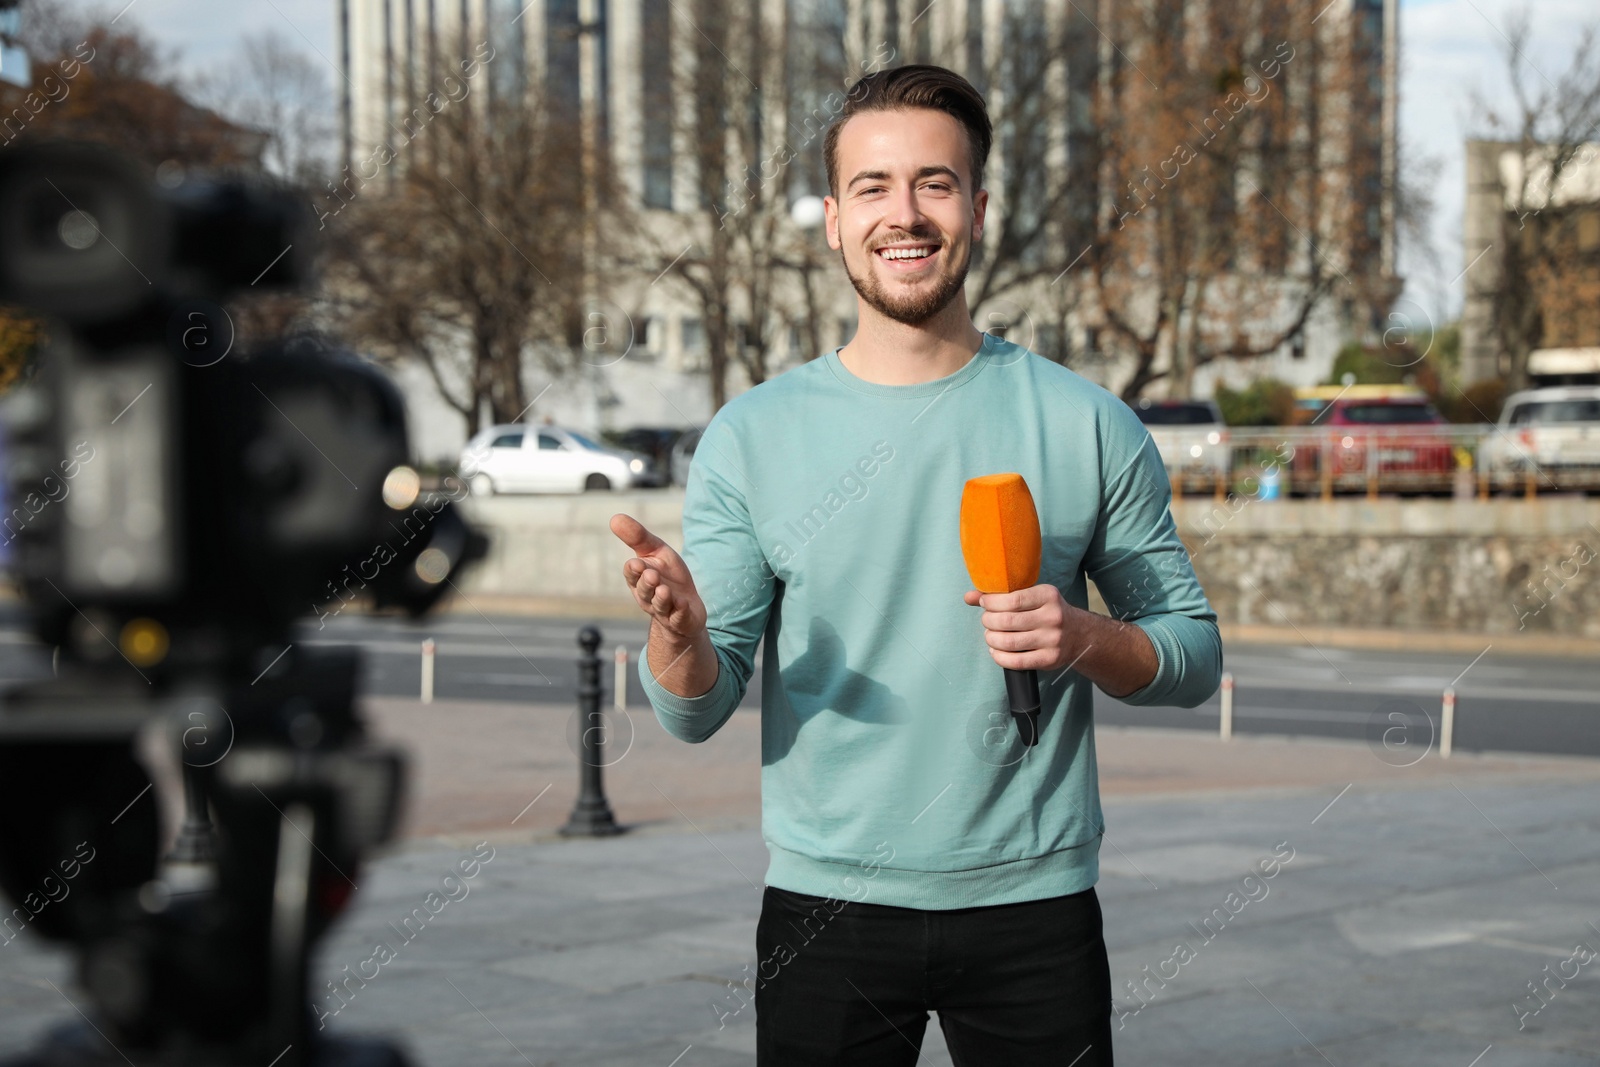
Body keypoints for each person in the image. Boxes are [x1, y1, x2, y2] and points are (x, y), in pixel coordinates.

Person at [609, 64, 1221, 1067]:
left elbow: (1191, 655)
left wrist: (1085, 636)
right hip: (824, 912)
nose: (906, 213)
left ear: (977, 208)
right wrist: (676, 634)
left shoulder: (1086, 420)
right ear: (832, 221)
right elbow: (693, 708)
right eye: (873, 186)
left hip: (1035, 907)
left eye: (934, 183)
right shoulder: (750, 436)